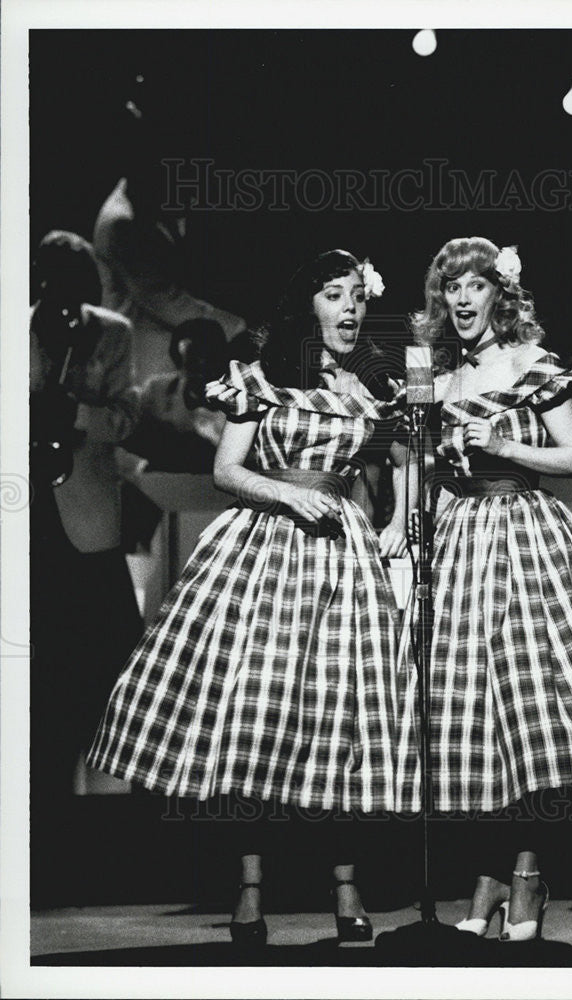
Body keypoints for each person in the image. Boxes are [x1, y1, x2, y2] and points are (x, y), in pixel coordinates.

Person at [87, 249, 413, 947]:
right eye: (335, 294)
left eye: (358, 295)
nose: (351, 308)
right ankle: (249, 891)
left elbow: (404, 460)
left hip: (342, 558)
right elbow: (226, 470)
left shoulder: (370, 387)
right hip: (267, 550)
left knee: (340, 722)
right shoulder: (260, 379)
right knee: (255, 720)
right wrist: (291, 492)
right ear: (310, 306)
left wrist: (390, 520)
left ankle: (347, 887)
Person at [395, 237, 572, 941]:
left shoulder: (533, 366)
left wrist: (502, 446)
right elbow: (417, 462)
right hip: (457, 540)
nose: (462, 300)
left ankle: (525, 876)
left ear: (501, 294)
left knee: (530, 718)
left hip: (522, 537)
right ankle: (489, 880)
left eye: (476, 286)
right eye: (451, 288)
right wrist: (410, 502)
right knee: (470, 728)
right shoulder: (438, 375)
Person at [29, 231, 143, 891]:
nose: (66, 291)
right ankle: (41, 836)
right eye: (54, 277)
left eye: (79, 278)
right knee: (39, 681)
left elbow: (125, 419)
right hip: (28, 516)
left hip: (88, 519)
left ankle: (111, 844)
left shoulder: (114, 332)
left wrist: (70, 412)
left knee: (103, 673)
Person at [93, 163, 246, 382]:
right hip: (146, 352)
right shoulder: (121, 225)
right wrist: (233, 326)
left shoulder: (151, 198)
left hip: (172, 340)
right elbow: (160, 297)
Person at [121, 317, 229, 473]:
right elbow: (126, 432)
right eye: (192, 363)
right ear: (179, 363)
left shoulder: (240, 401)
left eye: (208, 360)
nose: (201, 370)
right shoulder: (157, 390)